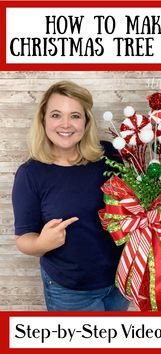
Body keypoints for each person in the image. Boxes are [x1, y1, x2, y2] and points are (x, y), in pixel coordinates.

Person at [12, 80, 129, 311]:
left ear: (86, 122)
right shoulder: (31, 174)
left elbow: (132, 206)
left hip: (120, 281)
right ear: (43, 120)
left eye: (75, 115)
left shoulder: (109, 155)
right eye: (56, 115)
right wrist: (42, 243)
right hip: (70, 291)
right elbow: (23, 240)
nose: (66, 124)